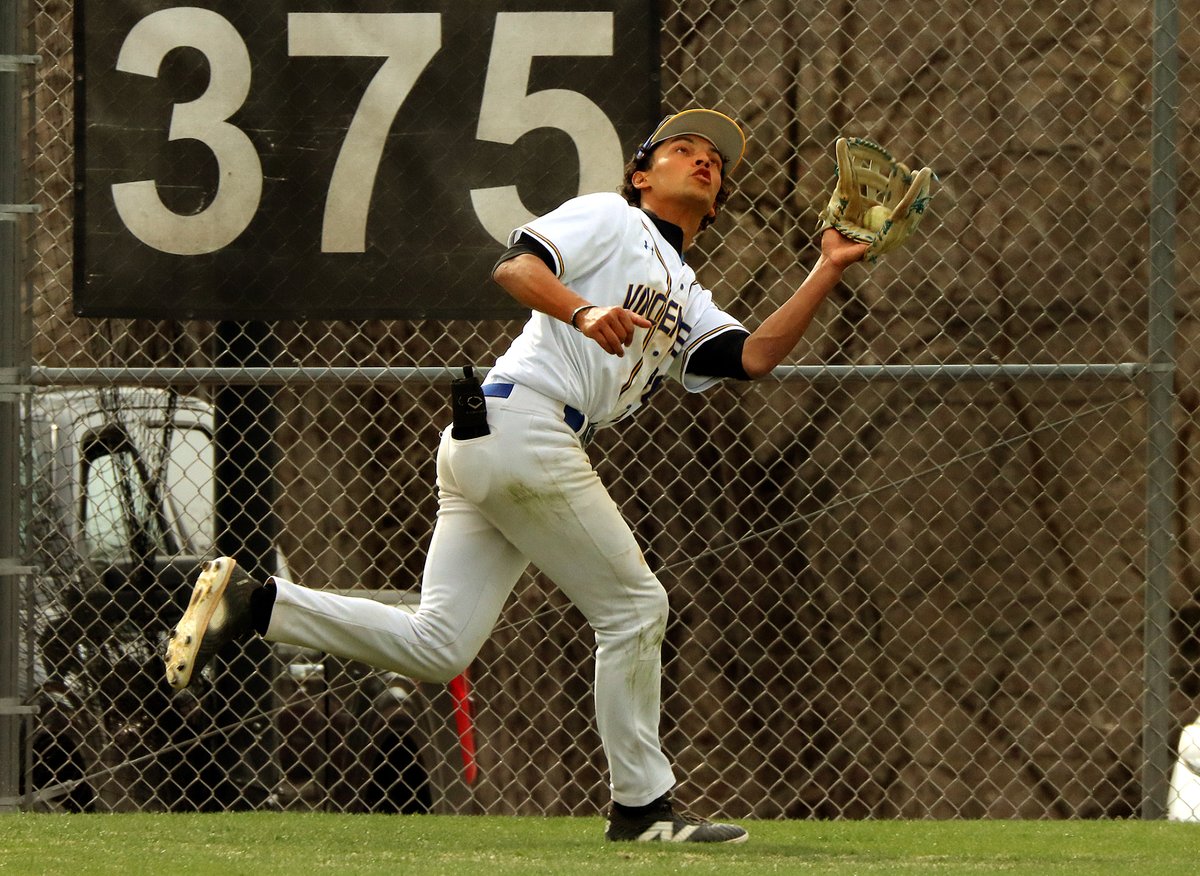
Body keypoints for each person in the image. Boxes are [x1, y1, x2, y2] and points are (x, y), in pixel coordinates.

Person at [165, 108, 869, 843]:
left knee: (439, 647)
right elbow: (514, 267)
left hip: (492, 438)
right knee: (635, 607)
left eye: (715, 162)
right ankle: (643, 809)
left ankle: (256, 604)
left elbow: (754, 357)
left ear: (718, 197)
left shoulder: (684, 290)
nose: (702, 160)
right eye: (682, 149)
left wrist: (825, 267)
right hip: (525, 424)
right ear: (639, 174)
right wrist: (584, 309)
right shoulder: (611, 217)